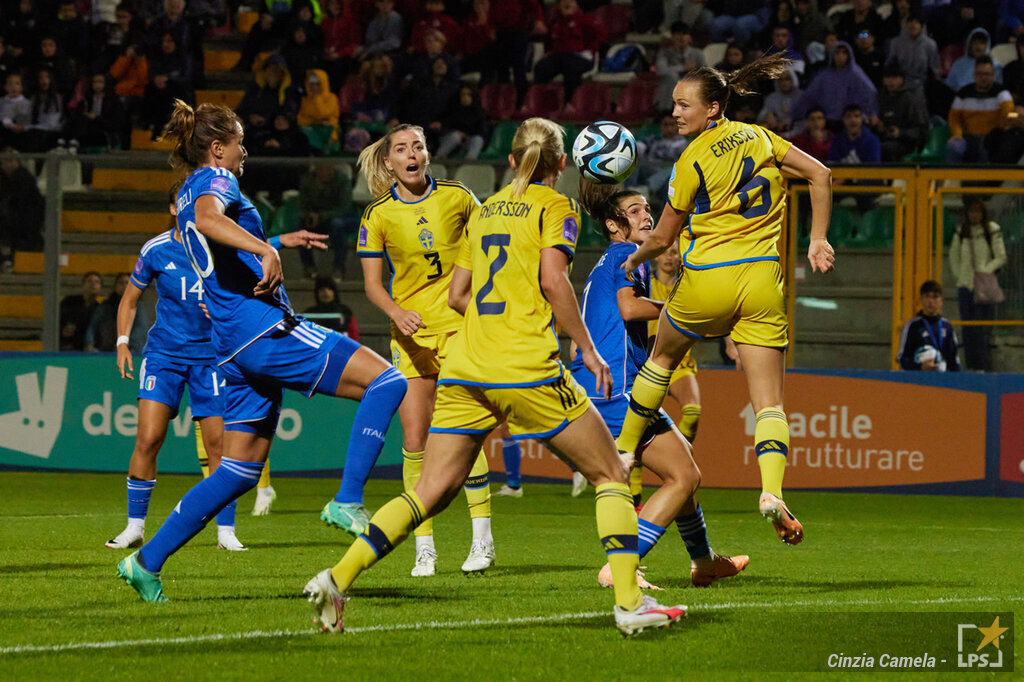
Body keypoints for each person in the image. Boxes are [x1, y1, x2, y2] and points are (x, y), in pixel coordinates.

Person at [304, 117, 687, 636]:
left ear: (510, 161)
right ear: (560, 164)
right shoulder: (557, 207)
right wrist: (587, 347)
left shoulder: (483, 212)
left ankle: (335, 577)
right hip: (524, 365)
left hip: (465, 368)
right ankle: (628, 603)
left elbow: (459, 295)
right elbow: (554, 281)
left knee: (428, 492)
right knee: (611, 476)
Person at [115, 100, 408, 602]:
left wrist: (266, 243)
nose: (244, 152)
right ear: (216, 148)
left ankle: (146, 561)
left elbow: (210, 238)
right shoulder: (215, 182)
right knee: (388, 381)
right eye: (239, 143)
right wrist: (265, 249)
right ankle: (347, 499)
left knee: (238, 471)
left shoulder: (185, 192)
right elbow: (212, 220)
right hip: (263, 331)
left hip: (230, 346)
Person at [615, 54, 835, 547]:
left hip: (709, 279)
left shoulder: (691, 159)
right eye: (674, 104)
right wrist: (817, 239)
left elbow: (664, 236)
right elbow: (820, 175)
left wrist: (633, 260)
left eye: (684, 105)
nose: (675, 113)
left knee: (662, 359)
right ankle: (772, 491)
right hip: (761, 282)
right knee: (769, 402)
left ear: (713, 108)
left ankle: (625, 451)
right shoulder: (761, 137)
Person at [572, 182, 748, 589]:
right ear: (614, 226)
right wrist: (687, 311)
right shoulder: (625, 255)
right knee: (684, 476)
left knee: (684, 465)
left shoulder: (612, 260)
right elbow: (631, 307)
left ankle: (704, 563)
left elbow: (632, 330)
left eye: (647, 208)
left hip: (606, 385)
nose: (647, 215)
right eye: (635, 211)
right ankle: (622, 563)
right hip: (616, 390)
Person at [353, 124, 495, 577]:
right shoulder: (376, 215)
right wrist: (397, 313)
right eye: (401, 149)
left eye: (417, 146)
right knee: (414, 440)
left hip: (459, 327)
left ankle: (482, 540)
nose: (411, 154)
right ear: (389, 162)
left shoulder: (458, 197)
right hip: (411, 334)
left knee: (466, 429)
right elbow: (372, 286)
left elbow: (489, 250)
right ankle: (424, 546)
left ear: (428, 154)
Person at [105, 183, 250, 553]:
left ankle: (226, 531)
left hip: (213, 357)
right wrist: (123, 342)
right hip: (164, 355)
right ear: (174, 208)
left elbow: (248, 293)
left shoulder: (224, 246)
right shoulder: (156, 249)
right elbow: (130, 299)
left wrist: (224, 313)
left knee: (220, 445)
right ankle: (135, 527)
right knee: (149, 438)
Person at [949, 198, 1007, 371]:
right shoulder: (961, 232)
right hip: (966, 286)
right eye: (972, 212)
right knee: (968, 329)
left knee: (983, 330)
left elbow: (1001, 256)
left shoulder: (992, 230)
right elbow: (954, 257)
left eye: (978, 212)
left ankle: (984, 367)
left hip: (984, 286)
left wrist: (986, 271)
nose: (974, 215)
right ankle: (971, 367)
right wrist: (960, 276)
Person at [947, 56, 1015, 165]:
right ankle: (952, 179)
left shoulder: (1002, 93)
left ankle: (980, 181)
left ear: (993, 75)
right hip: (969, 138)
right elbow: (953, 117)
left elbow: (1010, 113)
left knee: (991, 147)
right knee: (954, 146)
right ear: (974, 75)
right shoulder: (963, 94)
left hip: (991, 139)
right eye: (979, 74)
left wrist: (1004, 125)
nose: (983, 78)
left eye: (987, 74)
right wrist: (957, 134)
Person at [297, 162, 356, 279]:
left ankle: (338, 268)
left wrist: (322, 216)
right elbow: (301, 205)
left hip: (344, 218)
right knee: (299, 226)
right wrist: (309, 216)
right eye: (321, 169)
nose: (324, 173)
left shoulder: (342, 181)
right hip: (318, 220)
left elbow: (345, 208)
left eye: (327, 169)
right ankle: (309, 268)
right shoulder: (308, 181)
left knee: (337, 224)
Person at [897, 280, 960, 372]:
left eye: (935, 297)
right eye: (927, 297)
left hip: (942, 379)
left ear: (941, 301)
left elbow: (954, 360)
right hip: (917, 379)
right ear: (921, 300)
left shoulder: (947, 326)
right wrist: (920, 367)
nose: (931, 301)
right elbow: (902, 358)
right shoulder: (913, 325)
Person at [872, 65, 928, 162]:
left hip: (907, 143)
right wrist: (879, 126)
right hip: (885, 138)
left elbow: (921, 130)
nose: (891, 81)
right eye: (887, 78)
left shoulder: (912, 100)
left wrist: (901, 133)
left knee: (885, 149)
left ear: (901, 79)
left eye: (894, 78)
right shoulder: (881, 97)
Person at [85, 273, 149, 353]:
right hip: (106, 349)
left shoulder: (138, 305)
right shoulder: (105, 305)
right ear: (115, 286)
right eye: (121, 283)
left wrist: (123, 344)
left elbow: (140, 328)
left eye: (127, 283)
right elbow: (93, 325)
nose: (124, 286)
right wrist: (89, 342)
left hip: (132, 349)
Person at [60, 271, 102, 351]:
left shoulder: (100, 308)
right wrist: (62, 329)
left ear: (100, 288)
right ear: (83, 285)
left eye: (96, 282)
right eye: (89, 281)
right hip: (67, 346)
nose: (93, 284)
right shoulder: (69, 302)